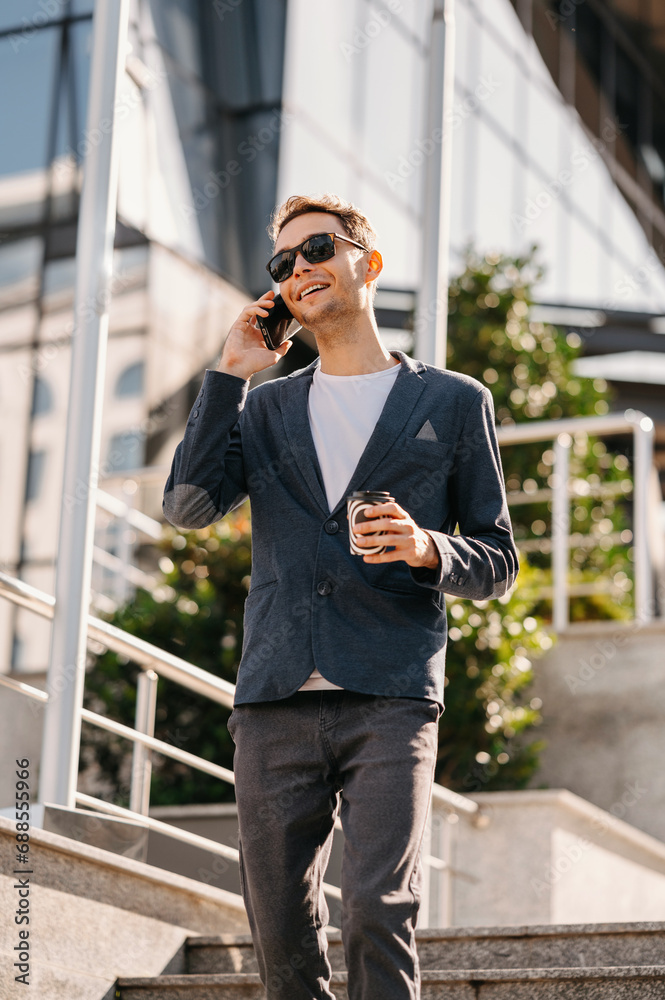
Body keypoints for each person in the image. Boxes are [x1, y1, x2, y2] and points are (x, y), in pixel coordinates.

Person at [163, 193, 518, 1000]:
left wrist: (430, 547)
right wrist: (228, 374)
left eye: (316, 248)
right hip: (273, 695)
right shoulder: (266, 408)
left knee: (374, 911)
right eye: (282, 264)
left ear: (368, 260)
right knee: (281, 930)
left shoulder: (454, 403)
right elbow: (187, 508)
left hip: (388, 693)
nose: (299, 270)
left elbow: (497, 559)